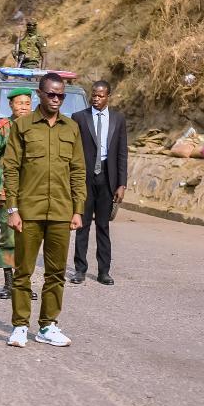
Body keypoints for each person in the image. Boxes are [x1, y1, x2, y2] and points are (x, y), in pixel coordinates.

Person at [3, 72, 86, 348]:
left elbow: (78, 171)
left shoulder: (71, 128)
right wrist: (12, 209)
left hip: (61, 212)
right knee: (23, 271)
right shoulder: (23, 126)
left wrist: (78, 209)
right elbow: (11, 169)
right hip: (29, 211)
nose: (56, 99)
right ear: (40, 94)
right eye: (51, 94)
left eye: (61, 95)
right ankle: (20, 326)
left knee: (56, 273)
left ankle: (48, 325)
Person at [70, 80, 128, 286]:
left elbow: (122, 153)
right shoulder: (79, 117)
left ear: (108, 96)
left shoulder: (118, 119)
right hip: (85, 178)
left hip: (107, 177)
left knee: (103, 226)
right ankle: (80, 270)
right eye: (93, 95)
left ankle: (104, 272)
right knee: (82, 225)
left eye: (100, 96)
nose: (96, 98)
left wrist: (122, 184)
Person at [0, 87, 32, 299]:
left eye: (27, 103)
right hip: (6, 191)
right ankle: (9, 283)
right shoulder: (3, 128)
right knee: (9, 237)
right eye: (19, 103)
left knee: (29, 240)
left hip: (31, 192)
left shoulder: (37, 126)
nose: (23, 107)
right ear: (11, 105)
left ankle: (24, 284)